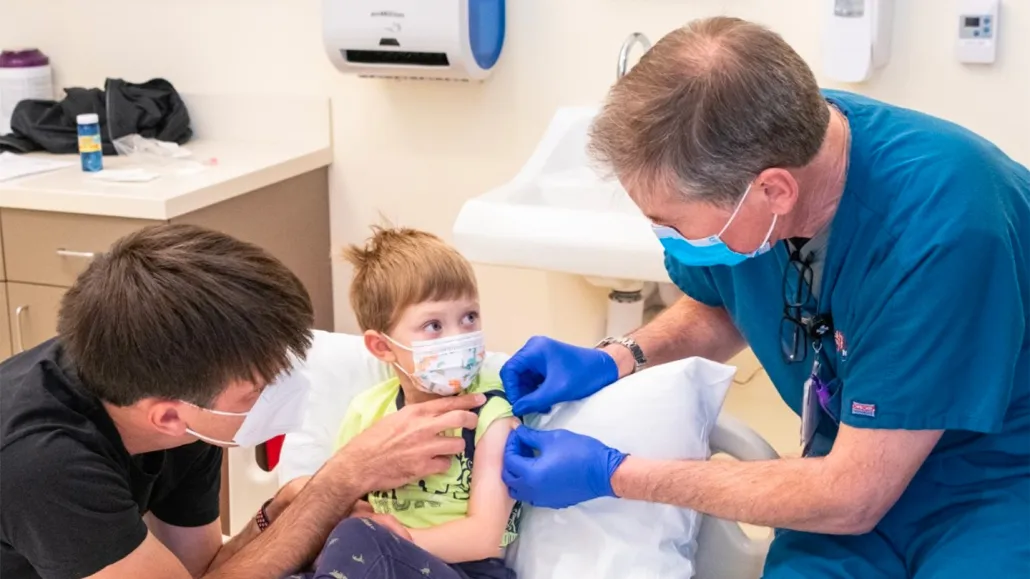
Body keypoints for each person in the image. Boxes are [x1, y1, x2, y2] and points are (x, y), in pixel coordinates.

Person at [500, 16, 1030, 579]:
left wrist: (615, 475)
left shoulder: (941, 230)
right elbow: (722, 301)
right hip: (844, 464)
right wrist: (620, 356)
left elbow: (853, 495)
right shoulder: (760, 145)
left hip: (994, 479)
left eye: (674, 225)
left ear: (775, 190)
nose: (668, 239)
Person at [0, 223, 487, 579]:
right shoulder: (44, 465)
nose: (286, 392)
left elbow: (202, 571)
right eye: (258, 389)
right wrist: (338, 482)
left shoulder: (180, 394)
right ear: (167, 417)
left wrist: (279, 511)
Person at [288, 226, 520, 579]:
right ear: (382, 347)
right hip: (369, 564)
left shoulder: (491, 412)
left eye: (469, 317)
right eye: (434, 325)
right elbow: (350, 503)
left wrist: (386, 541)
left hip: (465, 571)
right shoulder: (368, 412)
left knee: (352, 537)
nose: (458, 337)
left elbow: (486, 538)